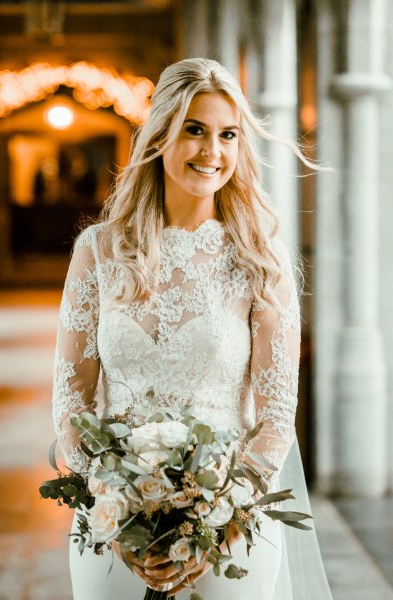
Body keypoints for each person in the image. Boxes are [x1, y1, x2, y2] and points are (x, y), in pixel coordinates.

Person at [52, 57, 333, 599]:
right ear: (160, 137)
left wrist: (216, 522)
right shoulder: (99, 251)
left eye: (228, 135)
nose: (213, 152)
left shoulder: (259, 258)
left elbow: (275, 417)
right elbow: (72, 399)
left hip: (233, 531)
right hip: (112, 530)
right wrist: (115, 513)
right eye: (194, 130)